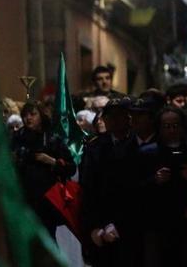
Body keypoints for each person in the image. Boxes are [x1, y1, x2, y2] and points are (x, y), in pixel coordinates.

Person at [79, 98, 140, 267]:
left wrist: (118, 224)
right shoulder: (95, 146)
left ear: (129, 119)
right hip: (100, 219)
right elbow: (88, 190)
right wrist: (93, 227)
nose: (114, 120)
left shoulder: (138, 144)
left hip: (130, 223)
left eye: (119, 116)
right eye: (110, 116)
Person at [136, 106, 187, 266]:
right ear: (159, 129)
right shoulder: (146, 153)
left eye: (175, 126)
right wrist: (154, 180)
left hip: (186, 223)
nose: (171, 130)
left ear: (183, 127)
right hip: (156, 222)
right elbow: (133, 188)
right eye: (166, 126)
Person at [11, 102, 76, 235]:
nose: (28, 118)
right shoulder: (17, 138)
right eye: (25, 115)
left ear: (41, 116)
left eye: (33, 114)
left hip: (47, 201)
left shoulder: (52, 139)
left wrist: (51, 161)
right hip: (24, 199)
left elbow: (71, 168)